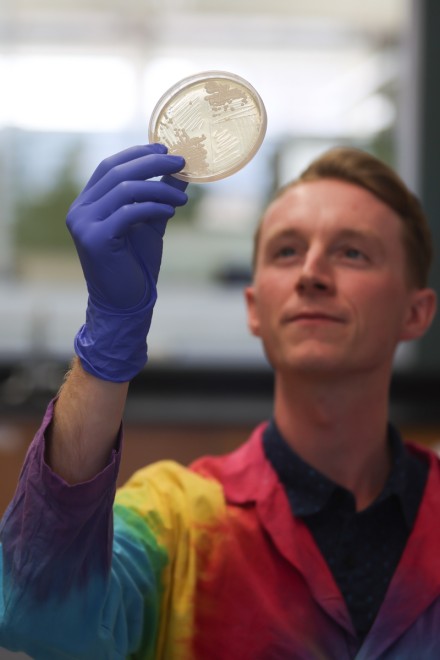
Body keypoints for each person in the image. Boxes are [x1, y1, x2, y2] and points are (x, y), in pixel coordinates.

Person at [0, 142, 439, 660]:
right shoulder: (180, 520)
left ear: (416, 313)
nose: (311, 274)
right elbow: (34, 607)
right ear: (254, 307)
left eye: (353, 253)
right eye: (286, 251)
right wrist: (106, 339)